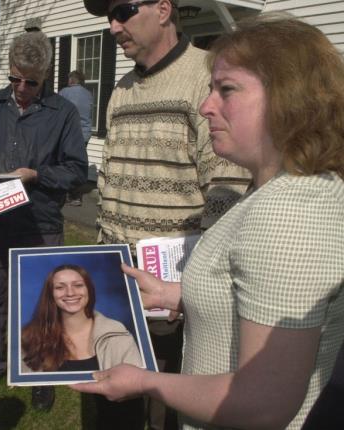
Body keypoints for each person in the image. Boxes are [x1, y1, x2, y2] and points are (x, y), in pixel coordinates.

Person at [73, 14, 344, 430]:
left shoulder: (290, 212)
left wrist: (147, 381)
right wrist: (175, 292)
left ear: (291, 98)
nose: (206, 105)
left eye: (227, 90)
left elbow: (263, 403)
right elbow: (255, 295)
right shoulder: (274, 191)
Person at [83, 1, 251, 428]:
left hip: (170, 292)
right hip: (114, 281)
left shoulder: (206, 76)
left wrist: (188, 281)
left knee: (167, 409)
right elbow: (111, 181)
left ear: (163, 9)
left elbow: (227, 189)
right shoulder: (120, 88)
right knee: (110, 402)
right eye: (108, 17)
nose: (113, 25)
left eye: (122, 10)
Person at [0, 30, 88, 411]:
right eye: (15, 78)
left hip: (41, 223)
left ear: (45, 75)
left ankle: (40, 371)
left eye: (31, 81)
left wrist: (37, 175)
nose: (21, 88)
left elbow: (77, 170)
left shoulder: (62, 112)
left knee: (41, 302)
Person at [23, 264, 144, 428]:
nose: (70, 292)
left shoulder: (117, 333)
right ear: (50, 294)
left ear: (89, 290)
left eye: (78, 285)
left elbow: (134, 388)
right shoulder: (31, 336)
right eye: (60, 287)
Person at [59, 70, 93, 206]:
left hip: (69, 134)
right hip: (85, 134)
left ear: (72, 80)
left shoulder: (64, 93)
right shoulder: (88, 94)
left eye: (69, 79)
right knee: (79, 163)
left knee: (66, 164)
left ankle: (68, 194)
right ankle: (76, 196)